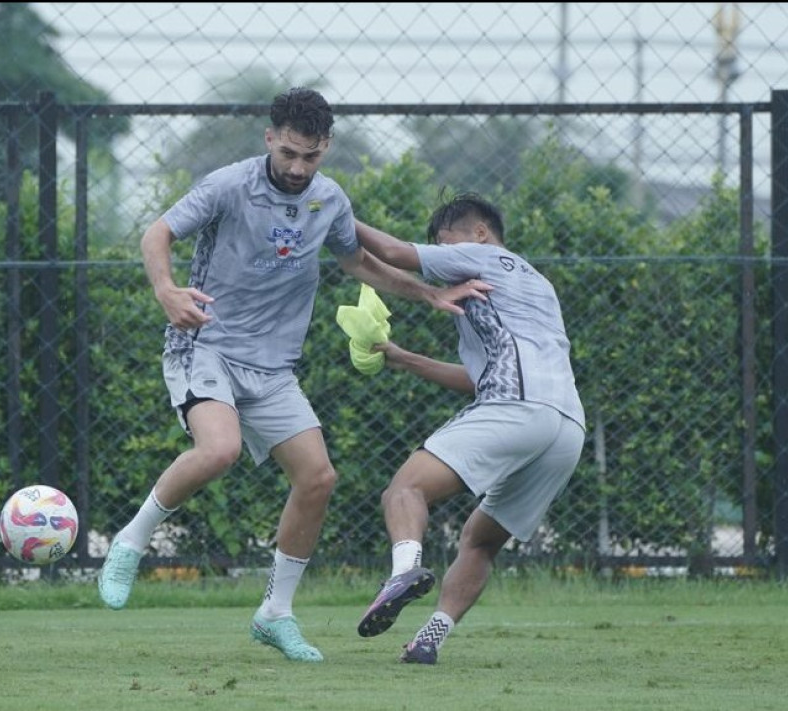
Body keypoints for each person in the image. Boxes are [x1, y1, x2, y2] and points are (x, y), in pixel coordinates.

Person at [96, 87, 491, 663]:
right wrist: (166, 290)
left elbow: (359, 261)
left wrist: (429, 294)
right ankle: (131, 542)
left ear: (325, 146)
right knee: (220, 449)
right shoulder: (229, 185)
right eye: (288, 153)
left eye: (311, 156)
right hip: (207, 345)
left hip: (273, 366)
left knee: (318, 478)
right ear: (269, 139)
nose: (298, 168)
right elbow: (157, 234)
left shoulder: (328, 199)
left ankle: (274, 614)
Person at [351, 191, 586, 665]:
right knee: (480, 540)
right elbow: (481, 378)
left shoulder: (485, 257)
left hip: (518, 405)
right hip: (566, 427)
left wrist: (330, 206)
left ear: (479, 234)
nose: (444, 255)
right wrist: (403, 358)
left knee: (405, 490)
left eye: (446, 243)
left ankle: (403, 572)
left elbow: (393, 252)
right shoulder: (535, 285)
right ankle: (430, 639)